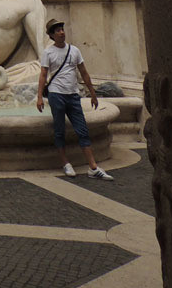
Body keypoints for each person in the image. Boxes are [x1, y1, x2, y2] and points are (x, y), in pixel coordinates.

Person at [36, 18, 114, 180]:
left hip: (73, 95)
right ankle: (66, 163)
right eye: (57, 30)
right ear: (51, 35)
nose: (61, 32)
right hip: (56, 94)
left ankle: (93, 167)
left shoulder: (75, 50)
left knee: (82, 130)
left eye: (62, 29)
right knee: (59, 130)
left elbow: (84, 72)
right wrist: (39, 98)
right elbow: (43, 75)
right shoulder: (48, 53)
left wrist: (92, 93)